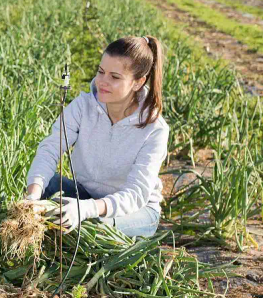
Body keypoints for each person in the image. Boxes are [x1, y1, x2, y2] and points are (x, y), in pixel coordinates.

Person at [25, 36, 169, 238]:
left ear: (138, 82)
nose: (102, 82)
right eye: (101, 72)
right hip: (87, 194)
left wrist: (86, 210)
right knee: (44, 183)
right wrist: (33, 197)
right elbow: (50, 148)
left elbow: (135, 195)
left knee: (94, 229)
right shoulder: (83, 106)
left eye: (115, 77)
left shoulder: (154, 129)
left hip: (136, 210)